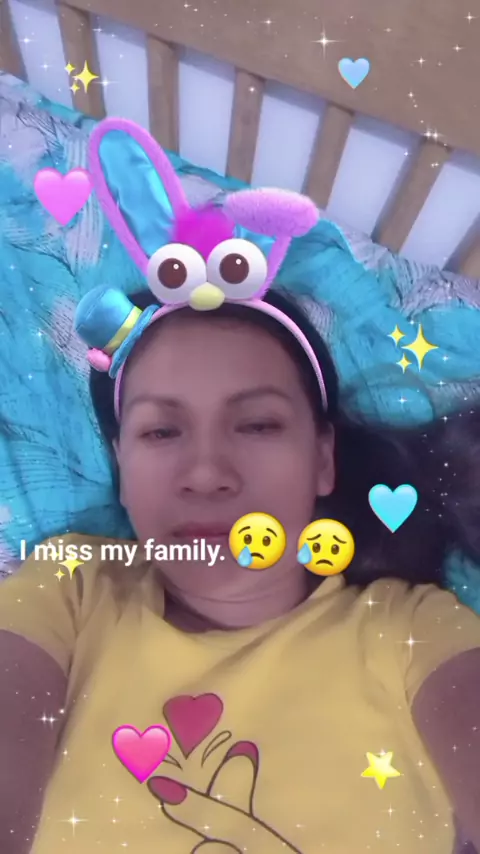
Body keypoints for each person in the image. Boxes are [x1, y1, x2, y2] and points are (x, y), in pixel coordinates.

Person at [0, 284, 479, 854]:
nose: (206, 474)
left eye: (257, 425)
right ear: (122, 468)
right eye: (160, 431)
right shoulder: (69, 585)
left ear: (322, 459)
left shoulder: (412, 632)